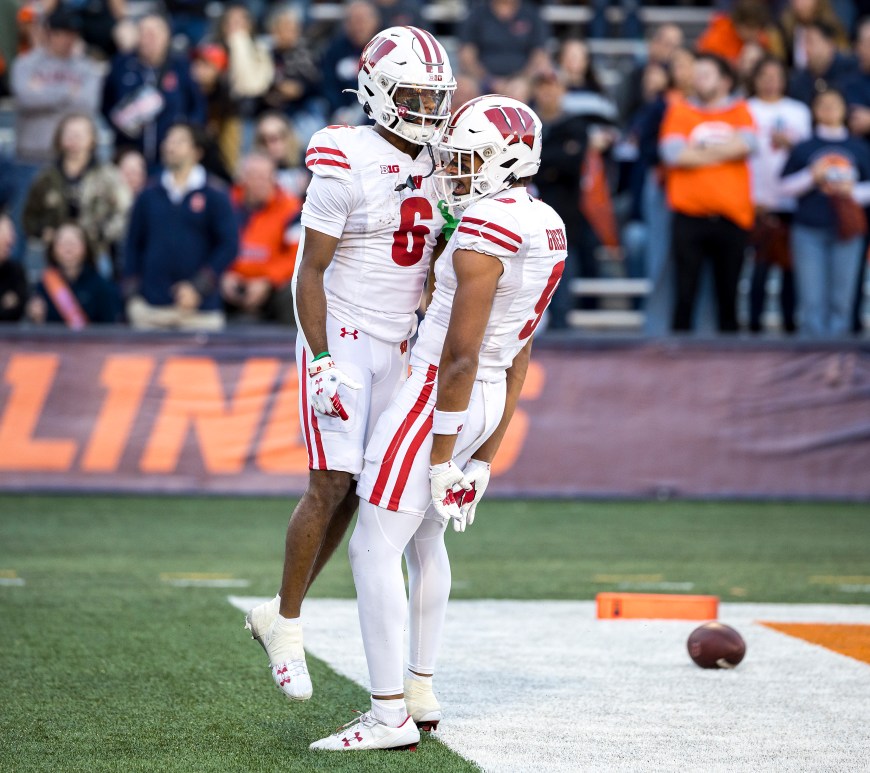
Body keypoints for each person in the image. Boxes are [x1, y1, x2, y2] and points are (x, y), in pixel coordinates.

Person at [309, 94, 567, 752]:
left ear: (504, 159)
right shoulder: (545, 222)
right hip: (485, 398)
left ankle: (388, 714)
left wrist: (444, 455)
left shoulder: (485, 229)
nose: (452, 166)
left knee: (373, 547)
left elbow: (458, 356)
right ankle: (419, 690)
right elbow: (521, 352)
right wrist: (483, 457)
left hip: (437, 395)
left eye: (468, 156)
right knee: (426, 541)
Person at [243, 26, 455, 704]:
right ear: (378, 92)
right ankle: (289, 624)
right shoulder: (345, 155)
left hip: (401, 341)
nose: (428, 110)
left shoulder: (443, 159)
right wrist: (322, 359)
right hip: (342, 330)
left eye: (435, 97)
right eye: (414, 96)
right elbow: (310, 271)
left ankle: (278, 611)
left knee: (366, 490)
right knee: (330, 480)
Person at [660, 53, 757, 333]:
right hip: (689, 217)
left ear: (725, 81)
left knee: (729, 299)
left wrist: (698, 152)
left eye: (706, 74)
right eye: (697, 74)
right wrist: (726, 151)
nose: (698, 80)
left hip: (732, 218)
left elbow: (748, 145)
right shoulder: (680, 110)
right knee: (684, 296)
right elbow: (673, 154)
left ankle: (731, 358)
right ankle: (678, 356)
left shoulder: (740, 110)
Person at [123, 122, 238, 331]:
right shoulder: (148, 193)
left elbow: (229, 246)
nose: (170, 146)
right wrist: (132, 295)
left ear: (197, 152)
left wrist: (199, 287)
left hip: (200, 312)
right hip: (151, 310)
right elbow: (132, 245)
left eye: (179, 141)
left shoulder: (216, 193)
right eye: (168, 140)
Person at [780, 89, 870, 336]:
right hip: (809, 228)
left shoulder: (860, 147)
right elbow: (783, 186)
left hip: (847, 229)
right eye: (823, 104)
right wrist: (812, 176)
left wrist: (852, 191)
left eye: (834, 104)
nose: (829, 109)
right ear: (815, 110)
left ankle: (838, 352)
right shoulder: (804, 147)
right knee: (811, 298)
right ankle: (813, 351)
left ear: (844, 110)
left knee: (842, 298)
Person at [746, 57, 812, 333]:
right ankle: (753, 326)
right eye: (765, 75)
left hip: (791, 200)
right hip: (756, 200)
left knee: (789, 268)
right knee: (758, 268)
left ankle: (789, 324)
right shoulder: (745, 108)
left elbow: (809, 155)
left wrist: (792, 145)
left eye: (776, 76)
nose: (771, 82)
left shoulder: (798, 111)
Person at [22, 112, 131, 271]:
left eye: (79, 134)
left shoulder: (109, 176)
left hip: (97, 253)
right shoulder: (45, 178)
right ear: (59, 138)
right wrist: (43, 232)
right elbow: (29, 215)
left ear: (92, 139)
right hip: (54, 255)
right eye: (69, 134)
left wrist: (101, 233)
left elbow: (124, 212)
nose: (74, 139)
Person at [101, 13, 206, 169]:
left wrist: (183, 138)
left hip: (170, 155)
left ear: (167, 36)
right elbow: (107, 104)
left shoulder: (181, 66)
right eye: (144, 33)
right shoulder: (121, 64)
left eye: (154, 33)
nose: (149, 39)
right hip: (130, 155)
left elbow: (197, 106)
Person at [222, 154, 301, 324]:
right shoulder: (225, 203)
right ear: (242, 178)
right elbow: (212, 244)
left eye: (265, 177)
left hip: (272, 286)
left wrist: (268, 280)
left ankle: (288, 338)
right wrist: (223, 273)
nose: (259, 182)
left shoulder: (291, 208)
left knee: (295, 292)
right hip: (231, 280)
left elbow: (296, 255)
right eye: (253, 176)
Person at [27, 221, 120, 326]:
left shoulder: (101, 286)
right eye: (62, 244)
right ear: (53, 249)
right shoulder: (45, 283)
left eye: (73, 243)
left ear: (85, 247)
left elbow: (109, 326)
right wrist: (36, 316)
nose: (68, 249)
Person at [457, 0, 550, 94]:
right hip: (481, 79)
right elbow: (467, 56)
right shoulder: (477, 15)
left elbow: (539, 56)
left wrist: (522, 79)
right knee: (463, 88)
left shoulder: (531, 15)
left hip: (521, 80)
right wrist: (488, 80)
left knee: (519, 91)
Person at [787, 21, 856, 107]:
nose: (805, 48)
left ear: (830, 44)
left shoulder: (852, 70)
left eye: (810, 42)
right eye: (802, 43)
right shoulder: (798, 80)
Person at [0, 213, 27, 323]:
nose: (11, 241)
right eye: (4, 235)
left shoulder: (16, 271)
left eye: (11, 234)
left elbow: (18, 310)